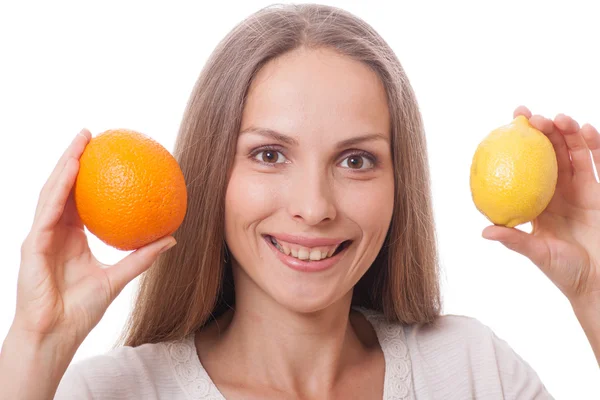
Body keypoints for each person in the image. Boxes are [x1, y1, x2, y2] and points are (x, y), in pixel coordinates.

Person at [1, 3, 598, 399]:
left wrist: (596, 292)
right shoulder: (112, 393)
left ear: (400, 187)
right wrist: (35, 345)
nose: (314, 206)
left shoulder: (472, 372)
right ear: (213, 175)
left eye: (356, 160)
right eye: (268, 154)